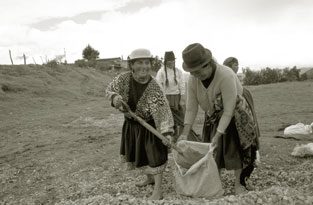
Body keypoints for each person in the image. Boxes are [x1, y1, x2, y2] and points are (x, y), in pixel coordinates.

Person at [178, 43, 259, 195]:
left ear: (208, 64)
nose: (196, 75)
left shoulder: (226, 75)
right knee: (212, 150)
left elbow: (228, 111)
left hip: (235, 112)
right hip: (212, 113)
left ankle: (239, 183)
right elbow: (191, 108)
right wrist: (184, 132)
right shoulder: (193, 79)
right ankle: (215, 182)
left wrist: (218, 134)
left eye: (198, 72)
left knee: (235, 148)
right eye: (192, 72)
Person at [106, 48, 174, 200]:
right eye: (140, 63)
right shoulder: (123, 79)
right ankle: (149, 179)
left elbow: (163, 112)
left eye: (147, 62)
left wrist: (166, 133)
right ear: (132, 65)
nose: (144, 66)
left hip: (151, 127)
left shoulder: (155, 87)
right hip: (132, 124)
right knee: (142, 153)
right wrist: (115, 98)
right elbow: (110, 90)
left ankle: (158, 190)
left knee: (155, 155)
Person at [155, 51, 199, 142]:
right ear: (165, 61)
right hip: (166, 98)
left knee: (180, 118)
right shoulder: (161, 72)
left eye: (173, 61)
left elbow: (182, 85)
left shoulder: (178, 71)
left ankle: (184, 136)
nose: (171, 63)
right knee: (168, 119)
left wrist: (182, 98)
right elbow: (159, 87)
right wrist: (163, 100)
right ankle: (169, 138)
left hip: (177, 98)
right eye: (169, 61)